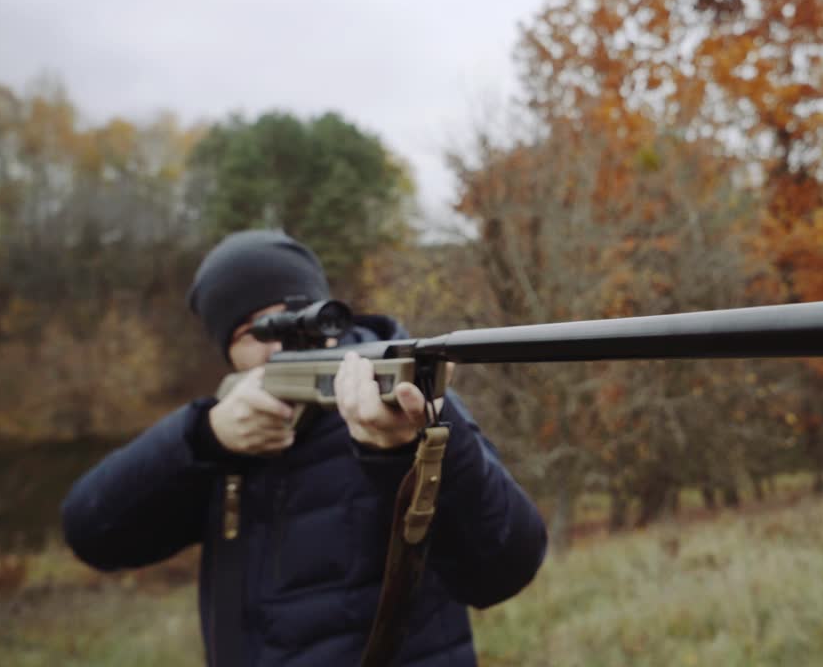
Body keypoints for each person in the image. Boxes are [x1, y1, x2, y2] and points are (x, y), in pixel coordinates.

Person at [61, 229, 548, 666]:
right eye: (254, 331)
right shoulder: (225, 431)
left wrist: (406, 453)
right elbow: (92, 531)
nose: (281, 344)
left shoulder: (403, 401)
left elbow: (503, 569)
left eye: (294, 317)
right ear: (226, 350)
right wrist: (205, 439)